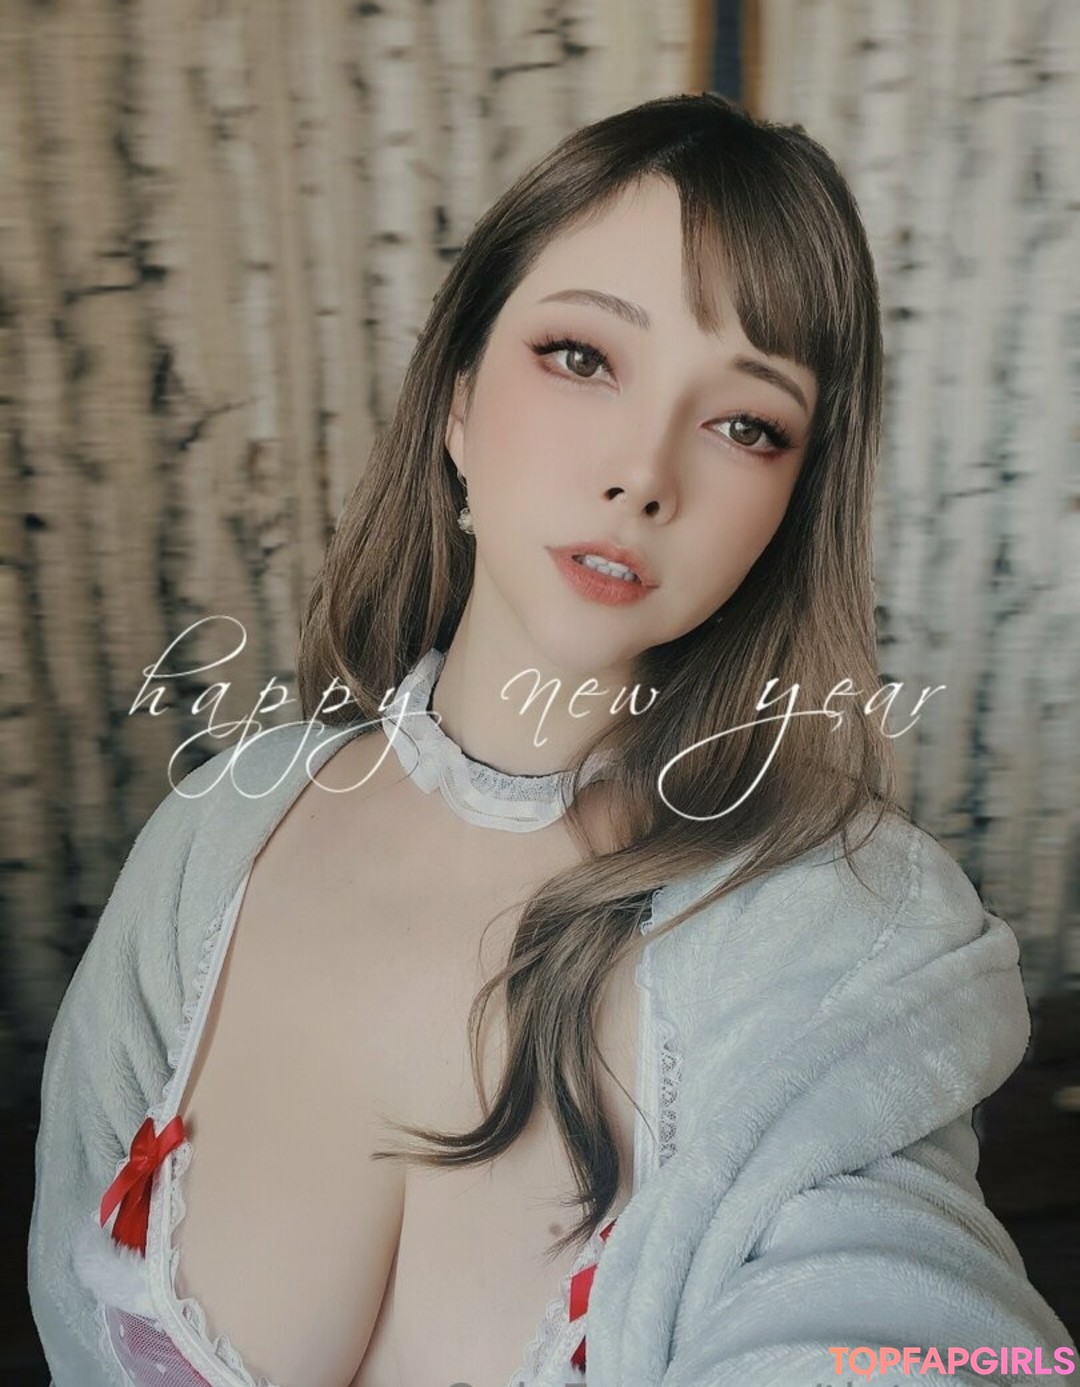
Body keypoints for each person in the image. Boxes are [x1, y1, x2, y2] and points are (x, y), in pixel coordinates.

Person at [28, 92, 1075, 1387]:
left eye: (746, 423)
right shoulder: (215, 838)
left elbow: (913, 1327)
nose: (645, 474)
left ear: (790, 506)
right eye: (583, 356)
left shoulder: (846, 932)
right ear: (458, 398)